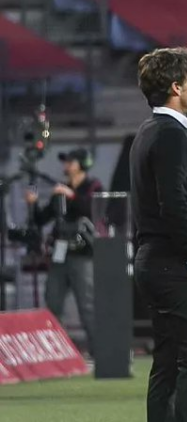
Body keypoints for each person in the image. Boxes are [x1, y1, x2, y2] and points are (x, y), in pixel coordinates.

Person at [130, 47, 187, 422]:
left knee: (166, 360)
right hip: (175, 262)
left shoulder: (147, 131)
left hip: (153, 259)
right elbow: (174, 204)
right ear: (176, 87)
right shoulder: (171, 135)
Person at [25, 147, 103, 356]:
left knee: (87, 305)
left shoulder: (92, 186)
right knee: (53, 301)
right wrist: (32, 205)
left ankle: (99, 352)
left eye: (70, 161)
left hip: (83, 254)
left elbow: (93, 209)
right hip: (60, 254)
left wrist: (71, 195)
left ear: (81, 164)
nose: (66, 165)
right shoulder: (60, 190)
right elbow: (42, 218)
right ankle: (58, 353)